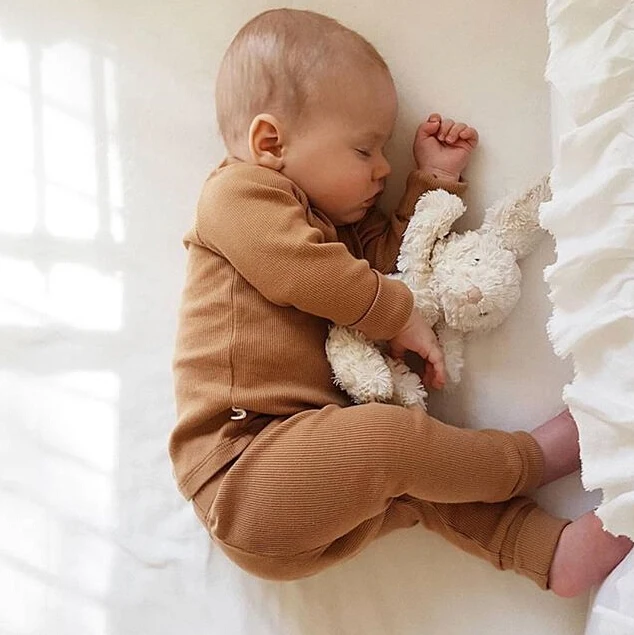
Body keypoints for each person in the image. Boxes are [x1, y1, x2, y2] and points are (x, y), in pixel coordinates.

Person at [169, 8, 632, 597]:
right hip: (245, 474)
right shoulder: (237, 194)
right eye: (364, 151)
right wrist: (396, 315)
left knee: (423, 474)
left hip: (313, 462)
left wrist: (429, 181)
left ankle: (545, 551)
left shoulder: (338, 230)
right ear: (271, 143)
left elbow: (393, 269)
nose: (382, 169)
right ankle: (529, 460)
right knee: (393, 441)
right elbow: (304, 272)